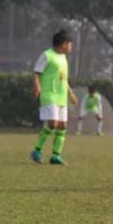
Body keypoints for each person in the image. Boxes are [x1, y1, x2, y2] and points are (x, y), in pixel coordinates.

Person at [30, 30, 78, 165]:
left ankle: (55, 155)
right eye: (70, 44)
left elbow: (63, 79)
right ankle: (37, 151)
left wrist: (70, 93)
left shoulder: (63, 58)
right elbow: (36, 72)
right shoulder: (47, 55)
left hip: (61, 96)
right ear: (64, 44)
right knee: (53, 123)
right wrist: (37, 86)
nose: (71, 47)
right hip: (49, 94)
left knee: (62, 126)